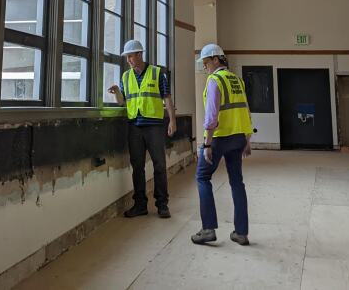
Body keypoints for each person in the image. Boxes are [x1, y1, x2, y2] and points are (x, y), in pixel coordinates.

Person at [191, 43, 253, 246]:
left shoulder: (214, 80)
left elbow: (211, 116)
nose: (205, 68)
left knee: (202, 177)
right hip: (238, 138)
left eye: (206, 63)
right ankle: (241, 232)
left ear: (216, 60)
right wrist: (247, 139)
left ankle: (208, 229)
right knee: (237, 182)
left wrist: (207, 145)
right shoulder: (237, 80)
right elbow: (245, 110)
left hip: (218, 138)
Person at [108, 39, 177, 219]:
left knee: (159, 165)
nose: (129, 60)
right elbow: (123, 102)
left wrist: (172, 121)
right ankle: (140, 205)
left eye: (131, 56)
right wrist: (117, 92)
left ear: (140, 54)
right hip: (135, 126)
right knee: (137, 166)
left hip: (153, 125)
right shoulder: (125, 76)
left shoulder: (157, 73)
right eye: (127, 57)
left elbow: (167, 98)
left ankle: (162, 204)